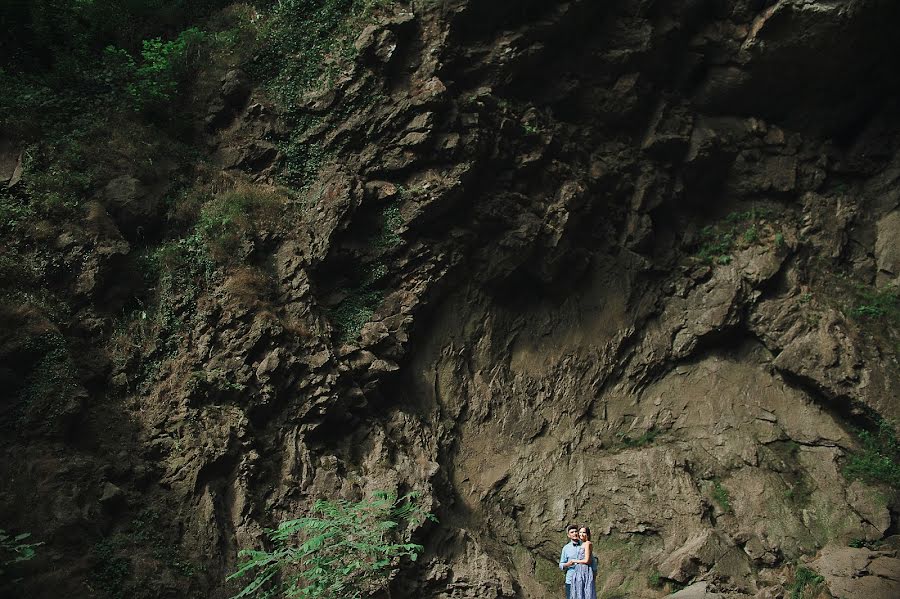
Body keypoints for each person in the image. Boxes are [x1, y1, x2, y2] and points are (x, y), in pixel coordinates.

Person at [568, 526, 597, 599]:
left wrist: (574, 561)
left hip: (584, 570)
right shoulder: (582, 543)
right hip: (579, 571)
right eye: (580, 532)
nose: (581, 534)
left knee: (585, 592)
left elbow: (587, 560)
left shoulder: (588, 543)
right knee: (578, 592)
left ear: (588, 534)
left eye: (583, 532)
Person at [558, 525, 581, 599]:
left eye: (576, 531)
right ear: (568, 535)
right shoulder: (566, 548)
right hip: (570, 579)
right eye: (572, 532)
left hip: (583, 577)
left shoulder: (585, 545)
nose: (574, 533)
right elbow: (561, 564)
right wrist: (568, 564)